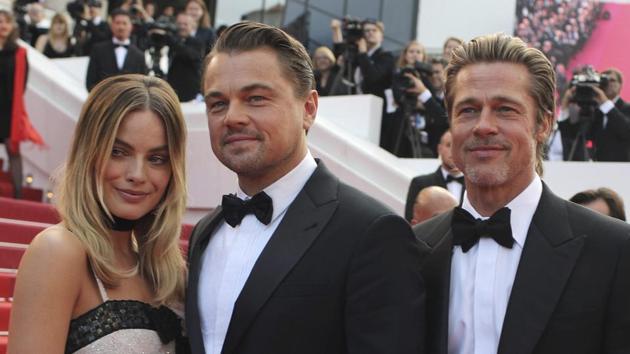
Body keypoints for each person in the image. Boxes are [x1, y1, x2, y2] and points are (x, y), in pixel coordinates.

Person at [186, 21, 425, 354]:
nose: (232, 117)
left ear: (308, 109)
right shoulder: (205, 233)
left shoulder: (371, 232)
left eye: (255, 98)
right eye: (218, 104)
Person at [413, 33, 630, 354]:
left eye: (505, 109)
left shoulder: (614, 249)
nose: (483, 126)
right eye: (468, 110)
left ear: (543, 124)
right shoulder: (413, 247)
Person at [8, 74, 189, 353]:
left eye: (156, 159)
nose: (137, 175)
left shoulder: (166, 269)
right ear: (89, 152)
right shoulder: (58, 251)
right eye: (118, 152)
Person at [0, 9, 45, 199]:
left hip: (9, 110)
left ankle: (18, 197)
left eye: (6, 22)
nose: (3, 26)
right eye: (0, 22)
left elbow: (21, 86)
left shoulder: (20, 53)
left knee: (13, 151)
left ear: (12, 27)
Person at [388, 40, 448, 157]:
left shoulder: (427, 77)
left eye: (418, 52)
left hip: (425, 130)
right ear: (405, 55)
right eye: (411, 51)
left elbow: (435, 102)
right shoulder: (398, 74)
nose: (415, 54)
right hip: (401, 124)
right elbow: (398, 97)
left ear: (424, 56)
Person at [405, 130, 463, 221]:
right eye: (448, 145)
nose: (453, 151)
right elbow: (411, 222)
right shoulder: (420, 183)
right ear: (439, 149)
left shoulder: (476, 185)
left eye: (459, 146)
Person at [86, 9, 147, 91]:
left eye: (124, 23)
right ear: (111, 26)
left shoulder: (139, 55)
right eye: (117, 23)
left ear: (131, 26)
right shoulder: (98, 50)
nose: (121, 27)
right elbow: (90, 82)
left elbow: (142, 86)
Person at [166, 12, 204, 102]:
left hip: (189, 94)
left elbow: (190, 55)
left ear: (192, 26)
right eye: (179, 24)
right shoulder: (170, 40)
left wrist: (173, 41)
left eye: (185, 24)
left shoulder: (197, 42)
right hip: (171, 91)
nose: (182, 27)